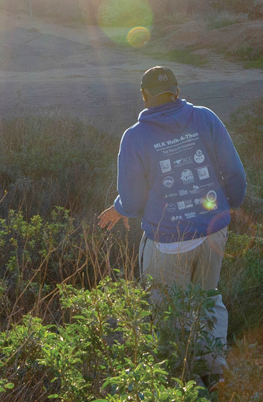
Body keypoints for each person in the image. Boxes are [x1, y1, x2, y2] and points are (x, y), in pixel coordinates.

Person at [98, 65, 248, 379]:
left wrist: (119, 209)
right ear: (177, 92)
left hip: (167, 242)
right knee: (207, 298)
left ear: (144, 97)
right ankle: (214, 372)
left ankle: (180, 379)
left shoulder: (135, 137)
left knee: (167, 310)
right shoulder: (206, 118)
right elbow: (234, 173)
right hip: (212, 233)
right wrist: (225, 210)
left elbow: (134, 201)